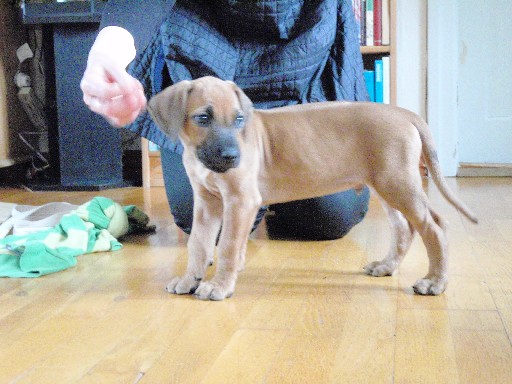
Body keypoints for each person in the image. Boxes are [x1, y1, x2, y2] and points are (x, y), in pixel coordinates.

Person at [81, 0, 371, 240]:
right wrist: (109, 49)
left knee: (330, 218)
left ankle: (268, 196)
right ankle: (257, 195)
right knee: (211, 225)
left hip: (302, 72)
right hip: (201, 64)